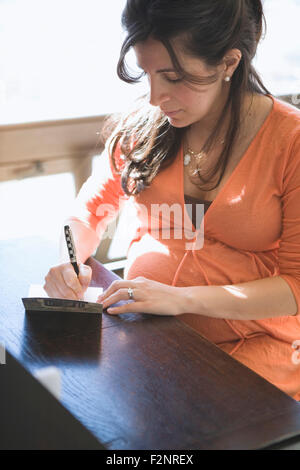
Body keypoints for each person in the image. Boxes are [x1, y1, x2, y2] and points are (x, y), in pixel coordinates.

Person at [44, 0, 300, 400]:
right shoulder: (142, 130)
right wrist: (69, 260)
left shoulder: (291, 144)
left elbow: (295, 286)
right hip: (149, 336)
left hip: (254, 348)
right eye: (147, 74)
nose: (154, 97)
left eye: (174, 77)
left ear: (229, 62)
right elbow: (88, 214)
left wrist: (182, 299)